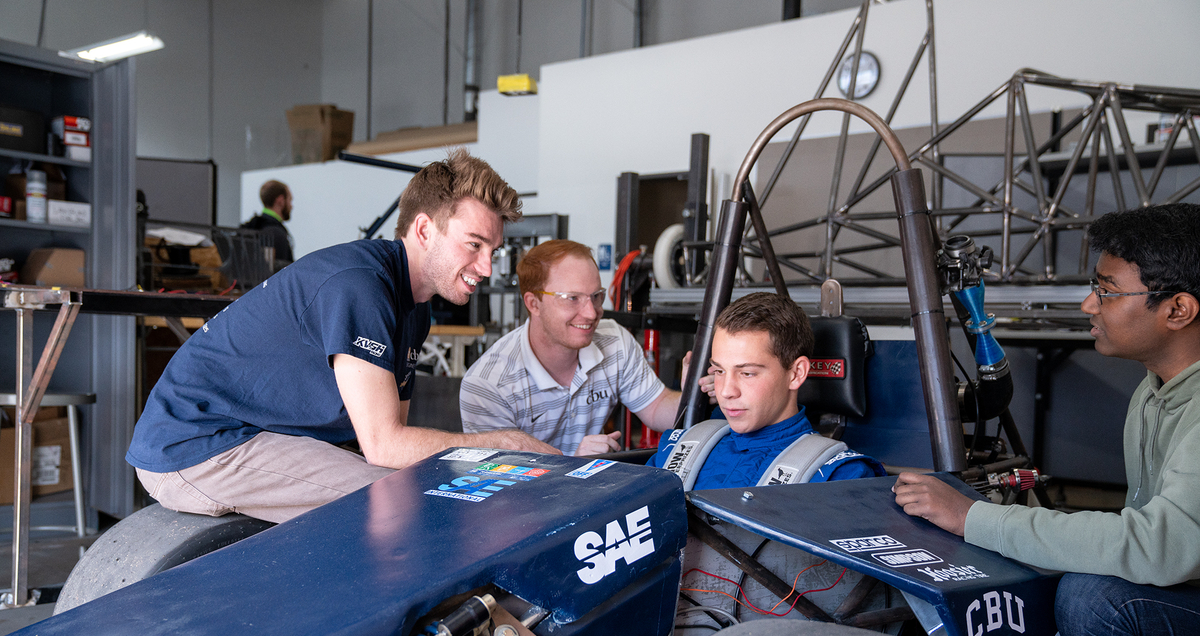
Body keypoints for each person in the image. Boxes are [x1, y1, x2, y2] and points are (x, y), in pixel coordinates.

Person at [893, 203, 1200, 636]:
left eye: (1106, 291)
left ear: (1178, 309)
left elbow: (1161, 549)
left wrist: (980, 519)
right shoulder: (1153, 394)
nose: (1089, 305)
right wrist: (1028, 528)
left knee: (1095, 604)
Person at [128, 149, 556, 524]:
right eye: (475, 245)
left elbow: (394, 441)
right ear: (425, 230)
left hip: (256, 433)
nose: (487, 267)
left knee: (420, 484)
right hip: (197, 443)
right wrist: (503, 445)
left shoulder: (414, 308)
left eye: (493, 251)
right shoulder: (360, 286)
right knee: (404, 505)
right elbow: (384, 445)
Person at [459, 239, 683, 456]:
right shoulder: (487, 385)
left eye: (596, 296)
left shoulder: (614, 342)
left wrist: (698, 391)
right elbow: (499, 479)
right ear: (533, 303)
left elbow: (656, 408)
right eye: (572, 298)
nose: (592, 313)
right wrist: (572, 463)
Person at [649, 292, 883, 490]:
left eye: (747, 373)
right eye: (719, 371)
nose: (727, 392)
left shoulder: (839, 476)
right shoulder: (678, 448)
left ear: (796, 373)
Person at [242, 179, 295, 270]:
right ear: (280, 201)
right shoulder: (276, 233)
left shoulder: (252, 227)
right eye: (290, 200)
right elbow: (284, 274)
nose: (291, 206)